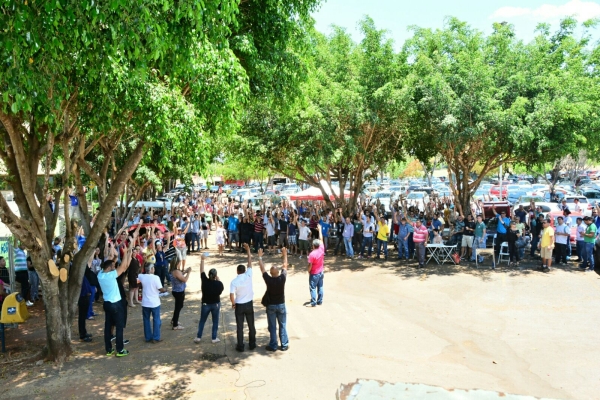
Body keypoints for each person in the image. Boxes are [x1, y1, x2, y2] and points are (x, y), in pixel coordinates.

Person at [98, 229, 136, 357]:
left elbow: (110, 261)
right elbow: (124, 267)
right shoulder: (110, 276)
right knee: (119, 327)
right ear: (109, 268)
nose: (114, 268)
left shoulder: (100, 275)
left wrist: (113, 253)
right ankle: (120, 350)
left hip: (107, 304)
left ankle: (109, 349)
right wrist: (127, 252)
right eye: (113, 267)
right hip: (116, 304)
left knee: (108, 326)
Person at [259, 247, 289, 352]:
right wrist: (284, 254)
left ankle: (273, 345)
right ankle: (284, 344)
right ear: (278, 272)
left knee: (272, 326)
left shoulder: (268, 280)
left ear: (271, 273)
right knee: (283, 325)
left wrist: (260, 257)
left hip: (271, 305)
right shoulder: (282, 278)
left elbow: (262, 269)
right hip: (281, 305)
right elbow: (285, 265)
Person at [230, 243, 256, 352]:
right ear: (244, 270)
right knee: (251, 325)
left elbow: (231, 295)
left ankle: (240, 346)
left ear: (237, 271)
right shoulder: (248, 275)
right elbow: (249, 262)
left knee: (240, 327)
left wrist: (233, 303)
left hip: (239, 305)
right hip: (249, 303)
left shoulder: (234, 281)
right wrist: (248, 250)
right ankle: (252, 344)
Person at [195, 253, 224, 343]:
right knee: (215, 321)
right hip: (215, 304)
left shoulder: (205, 281)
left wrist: (202, 260)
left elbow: (201, 270)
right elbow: (220, 290)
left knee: (202, 321)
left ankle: (199, 337)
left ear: (208, 275)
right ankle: (214, 338)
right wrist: (218, 281)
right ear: (215, 276)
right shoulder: (219, 284)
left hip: (205, 304)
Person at [138, 264, 166, 343]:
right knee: (156, 320)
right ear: (151, 269)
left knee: (146, 320)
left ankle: (148, 337)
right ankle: (156, 337)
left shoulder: (141, 276)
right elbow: (160, 289)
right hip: (154, 303)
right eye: (153, 268)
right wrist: (165, 290)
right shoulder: (156, 277)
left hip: (145, 302)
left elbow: (138, 274)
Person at [170, 261, 192, 330]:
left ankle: (174, 319)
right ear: (177, 263)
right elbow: (184, 280)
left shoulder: (174, 271)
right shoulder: (176, 271)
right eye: (179, 262)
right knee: (178, 308)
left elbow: (180, 275)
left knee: (179, 306)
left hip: (177, 291)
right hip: (179, 292)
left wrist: (185, 271)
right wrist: (188, 273)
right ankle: (175, 325)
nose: (180, 263)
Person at [306, 224, 324, 307]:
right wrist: (320, 230)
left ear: (313, 246)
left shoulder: (312, 254)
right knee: (320, 286)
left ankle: (313, 302)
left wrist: (308, 271)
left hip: (314, 273)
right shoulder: (321, 248)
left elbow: (310, 265)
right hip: (321, 271)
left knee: (313, 287)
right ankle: (319, 301)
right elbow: (321, 239)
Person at [78, 274, 93, 342]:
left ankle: (84, 332)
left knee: (83, 317)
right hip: (82, 297)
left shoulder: (82, 275)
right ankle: (82, 335)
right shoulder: (78, 276)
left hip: (85, 296)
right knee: (82, 316)